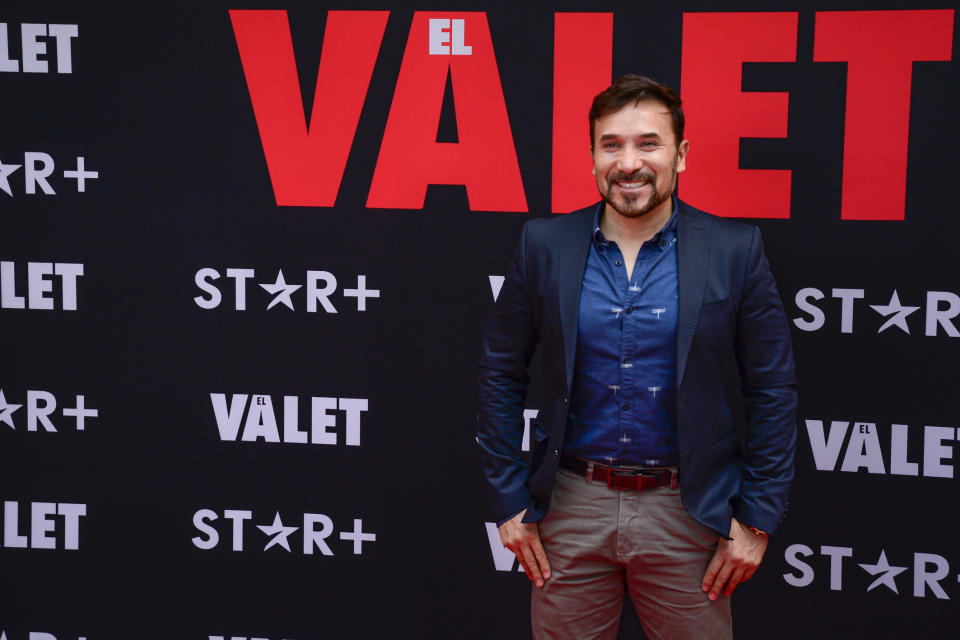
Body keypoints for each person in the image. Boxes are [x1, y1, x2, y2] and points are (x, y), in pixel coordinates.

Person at [476, 74, 797, 639]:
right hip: (571, 510)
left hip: (690, 513)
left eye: (648, 143)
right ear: (593, 154)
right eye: (612, 144)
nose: (629, 163)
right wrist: (507, 501)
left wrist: (756, 520)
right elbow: (500, 374)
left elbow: (771, 389)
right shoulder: (543, 245)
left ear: (681, 155)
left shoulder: (734, 250)